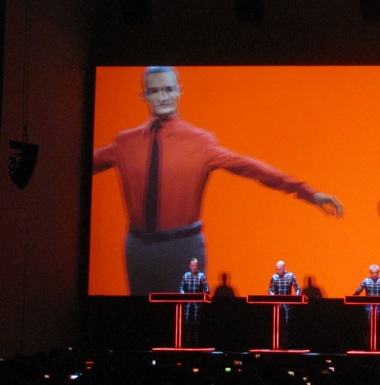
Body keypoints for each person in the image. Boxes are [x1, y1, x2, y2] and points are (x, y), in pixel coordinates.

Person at [92, 66, 344, 295]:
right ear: (144, 95)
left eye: (168, 89)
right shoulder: (125, 143)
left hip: (183, 246)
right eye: (155, 91)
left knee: (185, 320)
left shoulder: (199, 142)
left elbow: (249, 167)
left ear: (179, 91)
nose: (163, 97)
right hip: (138, 246)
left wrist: (307, 192)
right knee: (139, 319)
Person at [179, 258, 209, 348]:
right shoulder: (186, 276)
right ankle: (187, 343)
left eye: (196, 265)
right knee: (187, 323)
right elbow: (181, 288)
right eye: (192, 266)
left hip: (198, 303)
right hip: (188, 303)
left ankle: (195, 343)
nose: (194, 267)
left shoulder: (201, 276)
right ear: (189, 266)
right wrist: (182, 294)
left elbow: (207, 289)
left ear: (198, 266)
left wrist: (205, 294)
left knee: (196, 323)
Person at [269, 260, 301, 327]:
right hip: (277, 304)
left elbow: (297, 288)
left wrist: (295, 299)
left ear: (284, 268)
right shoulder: (274, 277)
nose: (278, 271)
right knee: (277, 322)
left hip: (288, 303)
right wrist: (274, 298)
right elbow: (270, 290)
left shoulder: (291, 276)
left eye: (279, 269)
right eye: (276, 269)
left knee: (287, 322)